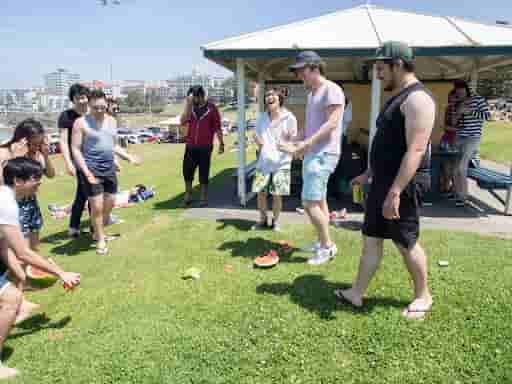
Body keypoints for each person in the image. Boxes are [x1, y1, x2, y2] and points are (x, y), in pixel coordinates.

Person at [336, 41, 436, 320]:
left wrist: (395, 192)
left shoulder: (418, 99)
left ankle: (423, 295)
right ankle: (356, 293)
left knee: (406, 242)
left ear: (398, 64)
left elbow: (415, 150)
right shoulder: (399, 96)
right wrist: (369, 174)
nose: (377, 74)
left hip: (401, 186)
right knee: (371, 239)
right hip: (383, 182)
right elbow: (388, 144)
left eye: (381, 68)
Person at [0, 157, 80, 380]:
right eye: (35, 179)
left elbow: (3, 247)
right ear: (17, 180)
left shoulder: (7, 199)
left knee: (11, 297)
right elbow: (23, 252)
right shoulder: (6, 203)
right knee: (11, 300)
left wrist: (19, 274)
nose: (40, 183)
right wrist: (61, 273)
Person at [281, 51, 345, 265]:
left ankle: (327, 247)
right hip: (314, 152)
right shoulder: (312, 94)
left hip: (324, 153)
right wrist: (295, 138)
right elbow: (310, 126)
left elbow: (332, 123)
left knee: (309, 203)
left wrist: (306, 144)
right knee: (319, 200)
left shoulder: (332, 90)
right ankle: (322, 241)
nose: (300, 76)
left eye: (302, 71)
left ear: (314, 68)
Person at [71, 89, 140, 255]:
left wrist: (127, 157)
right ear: (89, 105)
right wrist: (86, 171)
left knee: (109, 203)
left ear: (106, 104)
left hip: (108, 168)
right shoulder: (81, 123)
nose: (100, 111)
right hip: (91, 168)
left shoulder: (111, 121)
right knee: (96, 206)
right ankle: (100, 239)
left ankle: (97, 230)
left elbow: (113, 144)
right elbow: (75, 149)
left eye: (102, 107)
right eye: (96, 108)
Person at [0, 118, 55, 252]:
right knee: (19, 247)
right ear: (22, 140)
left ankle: (32, 268)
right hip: (11, 204)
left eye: (39, 143)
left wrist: (46, 156)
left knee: (34, 240)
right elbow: (3, 184)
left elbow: (50, 174)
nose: (37, 147)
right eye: (34, 144)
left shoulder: (34, 154)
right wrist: (16, 158)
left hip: (31, 201)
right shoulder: (4, 152)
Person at [251, 88, 298, 232]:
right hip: (264, 162)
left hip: (281, 163)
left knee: (277, 194)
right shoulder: (261, 118)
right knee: (261, 193)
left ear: (280, 99)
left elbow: (294, 140)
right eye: (267, 96)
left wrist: (286, 144)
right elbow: (258, 140)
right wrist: (257, 141)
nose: (269, 98)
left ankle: (276, 221)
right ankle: (262, 220)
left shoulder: (289, 118)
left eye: (272, 95)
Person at [180, 85, 224, 207]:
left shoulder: (212, 108)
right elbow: (183, 121)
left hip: (205, 147)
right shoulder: (190, 108)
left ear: (200, 96)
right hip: (190, 146)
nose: (191, 100)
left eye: (193, 97)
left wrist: (221, 143)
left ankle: (203, 198)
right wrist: (188, 105)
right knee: (187, 171)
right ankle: (188, 195)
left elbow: (217, 127)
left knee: (203, 172)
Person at [58, 83, 90, 238]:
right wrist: (68, 162)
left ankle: (76, 226)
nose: (82, 101)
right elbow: (63, 141)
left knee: (84, 192)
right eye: (78, 98)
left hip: (94, 157)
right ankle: (91, 225)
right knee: (89, 190)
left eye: (84, 97)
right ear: (73, 99)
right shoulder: (66, 116)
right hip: (78, 158)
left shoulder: (93, 113)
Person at [452, 80, 491, 207]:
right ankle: (458, 194)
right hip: (460, 137)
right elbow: (454, 122)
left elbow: (488, 117)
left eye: (461, 91)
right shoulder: (457, 102)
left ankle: (464, 197)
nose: (459, 93)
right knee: (455, 169)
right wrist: (458, 113)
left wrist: (470, 111)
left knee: (461, 167)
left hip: (473, 137)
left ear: (467, 89)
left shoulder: (478, 99)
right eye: (457, 91)